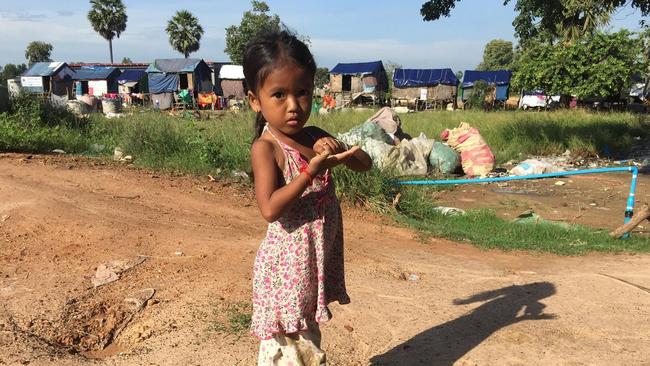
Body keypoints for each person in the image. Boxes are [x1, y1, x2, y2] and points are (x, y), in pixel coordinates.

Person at [244, 30, 372, 365]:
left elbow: (365, 165)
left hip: (311, 263)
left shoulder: (314, 136)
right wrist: (309, 172)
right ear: (255, 100)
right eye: (279, 95)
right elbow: (269, 209)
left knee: (306, 340)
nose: (293, 106)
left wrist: (340, 150)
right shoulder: (267, 147)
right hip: (286, 270)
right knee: (292, 349)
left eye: (302, 93)